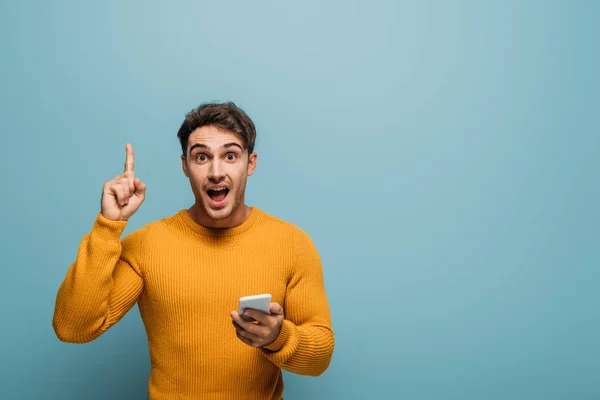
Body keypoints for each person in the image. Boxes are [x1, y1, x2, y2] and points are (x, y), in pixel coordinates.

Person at [52, 102, 335, 399]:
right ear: (186, 166)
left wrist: (279, 337)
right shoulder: (147, 245)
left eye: (230, 156)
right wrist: (109, 224)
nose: (215, 172)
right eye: (202, 157)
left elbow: (320, 358)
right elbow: (72, 327)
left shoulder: (292, 243)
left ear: (250, 164)